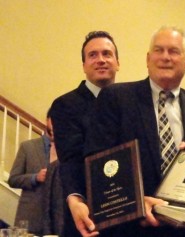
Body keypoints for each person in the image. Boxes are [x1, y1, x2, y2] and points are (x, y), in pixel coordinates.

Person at [67, 26, 185, 237]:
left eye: (173, 51)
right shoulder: (115, 98)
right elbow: (96, 163)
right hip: (129, 229)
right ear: (147, 59)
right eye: (158, 50)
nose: (165, 57)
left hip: (181, 230)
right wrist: (135, 201)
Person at [50, 30, 119, 237]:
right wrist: (75, 198)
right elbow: (70, 160)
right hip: (87, 216)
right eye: (93, 55)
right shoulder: (65, 105)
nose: (101, 60)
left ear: (117, 62)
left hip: (128, 218)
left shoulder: (130, 103)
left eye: (107, 54)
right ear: (83, 66)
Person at [8, 110, 56, 236]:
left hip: (57, 222)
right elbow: (13, 179)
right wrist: (35, 178)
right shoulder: (27, 147)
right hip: (29, 219)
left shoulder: (67, 151)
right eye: (54, 119)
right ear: (47, 120)